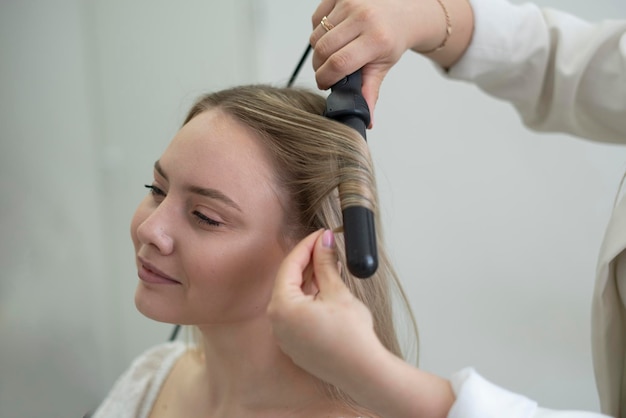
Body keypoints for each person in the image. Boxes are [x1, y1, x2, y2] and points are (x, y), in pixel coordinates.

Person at [268, 0, 626, 416]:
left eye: (207, 217)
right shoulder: (170, 370)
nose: (169, 229)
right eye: (167, 190)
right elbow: (568, 63)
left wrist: (376, 376)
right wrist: (425, 14)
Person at [90, 84, 433, 418]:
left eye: (204, 217)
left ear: (314, 258)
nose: (149, 229)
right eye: (157, 190)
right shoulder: (154, 376)